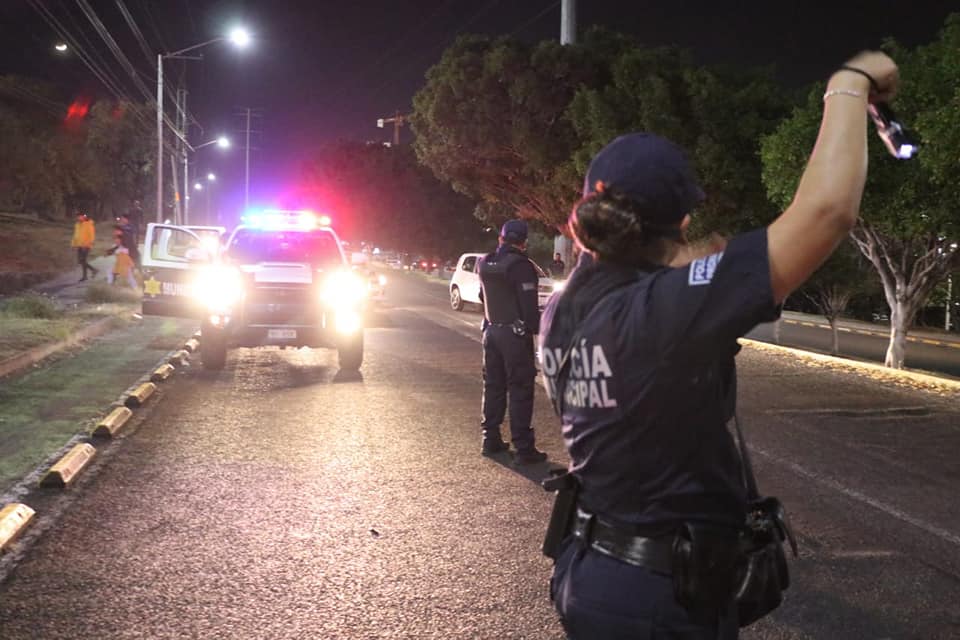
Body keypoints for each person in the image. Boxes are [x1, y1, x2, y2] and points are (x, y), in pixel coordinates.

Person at [539, 51, 898, 638]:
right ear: (679, 224)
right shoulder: (657, 315)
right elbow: (828, 211)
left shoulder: (565, 308)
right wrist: (848, 84)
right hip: (658, 599)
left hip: (594, 568)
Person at [478, 219, 548, 465]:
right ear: (524, 241)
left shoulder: (485, 262)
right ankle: (524, 448)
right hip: (514, 336)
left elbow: (481, 297)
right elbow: (529, 310)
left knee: (493, 385)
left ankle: (490, 438)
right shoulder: (521, 266)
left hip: (490, 332)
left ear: (501, 238)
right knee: (520, 388)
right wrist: (542, 329)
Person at [71, 211, 98, 281]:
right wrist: (73, 244)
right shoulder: (77, 225)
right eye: (77, 216)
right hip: (79, 245)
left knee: (83, 260)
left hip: (86, 246)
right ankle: (92, 271)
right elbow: (75, 235)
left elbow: (92, 236)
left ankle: (87, 275)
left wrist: (87, 245)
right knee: (81, 261)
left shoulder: (89, 224)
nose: (78, 218)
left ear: (84, 216)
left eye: (80, 216)